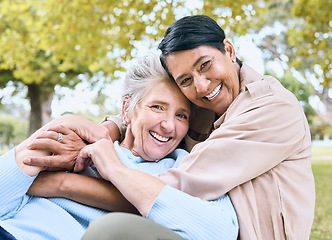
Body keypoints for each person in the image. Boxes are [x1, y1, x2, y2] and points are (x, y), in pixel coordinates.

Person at [79, 15, 315, 239]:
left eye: (204, 65)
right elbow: (152, 110)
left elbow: (173, 190)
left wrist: (61, 184)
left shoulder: (274, 108)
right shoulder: (203, 105)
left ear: (229, 51)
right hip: (194, 227)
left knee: (111, 231)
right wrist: (110, 127)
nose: (201, 86)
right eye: (186, 80)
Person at [0, 52, 239, 240]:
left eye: (182, 116)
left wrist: (115, 170)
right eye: (157, 107)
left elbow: (221, 233)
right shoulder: (76, 147)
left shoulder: (189, 165)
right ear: (126, 110)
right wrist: (61, 126)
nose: (168, 126)